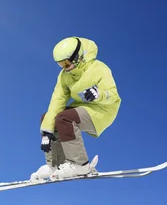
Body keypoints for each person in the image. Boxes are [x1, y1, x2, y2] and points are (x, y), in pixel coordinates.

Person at [31, 36, 121, 180]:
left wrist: (98, 94)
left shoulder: (99, 68)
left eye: (66, 63)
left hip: (103, 109)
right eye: (61, 65)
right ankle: (55, 165)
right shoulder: (64, 76)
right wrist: (47, 131)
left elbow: (113, 95)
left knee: (64, 118)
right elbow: (57, 101)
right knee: (48, 118)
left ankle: (80, 165)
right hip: (83, 107)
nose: (64, 68)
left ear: (78, 57)